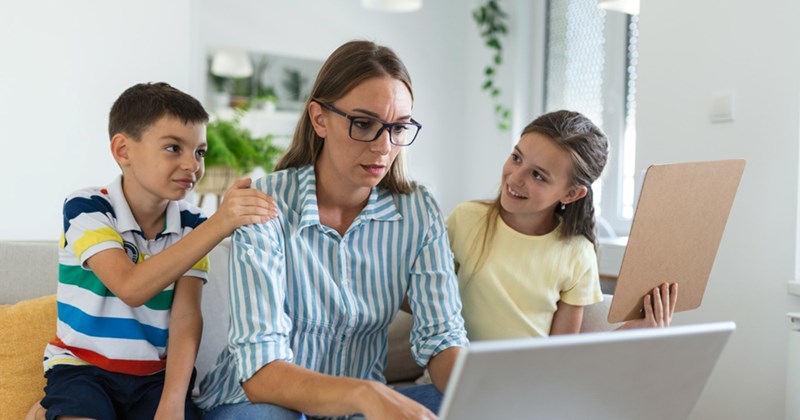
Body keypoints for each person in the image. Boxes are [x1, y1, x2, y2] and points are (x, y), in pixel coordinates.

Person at [195, 40, 468, 420]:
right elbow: (260, 372)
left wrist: (484, 398)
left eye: (398, 127)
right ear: (319, 119)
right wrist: (367, 394)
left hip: (356, 409)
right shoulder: (265, 203)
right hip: (257, 404)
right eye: (364, 123)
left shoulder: (418, 210)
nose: (384, 147)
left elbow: (442, 338)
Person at [29, 82, 275, 420]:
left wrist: (173, 401)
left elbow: (186, 316)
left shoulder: (193, 224)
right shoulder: (87, 207)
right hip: (83, 369)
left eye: (199, 151)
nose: (192, 164)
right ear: (123, 150)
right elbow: (131, 287)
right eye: (174, 148)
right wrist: (220, 223)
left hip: (154, 380)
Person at [446, 110, 678, 341]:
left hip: (529, 376)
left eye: (537, 175)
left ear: (571, 194)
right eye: (516, 158)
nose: (515, 178)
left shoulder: (577, 253)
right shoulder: (465, 219)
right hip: (455, 371)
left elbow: (561, 352)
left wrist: (633, 330)